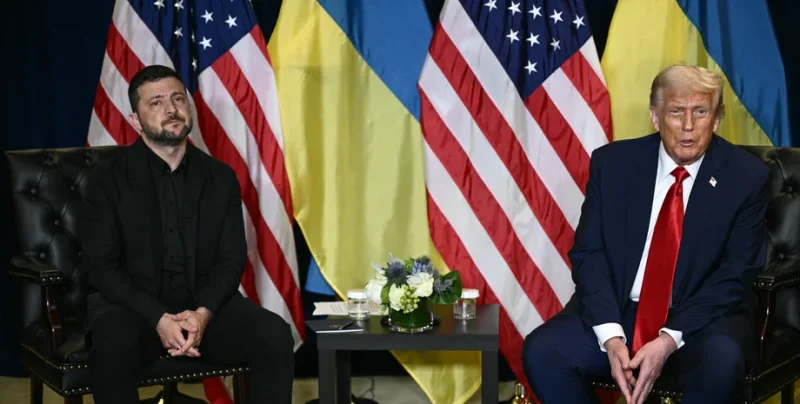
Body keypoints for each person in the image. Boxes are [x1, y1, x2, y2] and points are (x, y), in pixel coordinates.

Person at [522, 64, 769, 404]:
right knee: (543, 351)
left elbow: (736, 273)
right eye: (676, 112)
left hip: (703, 320)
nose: (688, 125)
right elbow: (589, 253)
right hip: (622, 309)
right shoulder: (613, 164)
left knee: (722, 364)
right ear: (655, 116)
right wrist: (611, 337)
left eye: (700, 112)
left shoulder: (747, 177)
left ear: (716, 119)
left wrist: (668, 339)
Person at [79, 65, 294, 404]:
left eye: (178, 99)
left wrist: (202, 315)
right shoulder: (106, 180)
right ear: (135, 120)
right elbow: (100, 267)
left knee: (274, 335)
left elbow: (231, 259)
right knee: (111, 346)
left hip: (204, 309)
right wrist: (158, 318)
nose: (171, 109)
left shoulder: (220, 177)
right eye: (156, 103)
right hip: (132, 310)